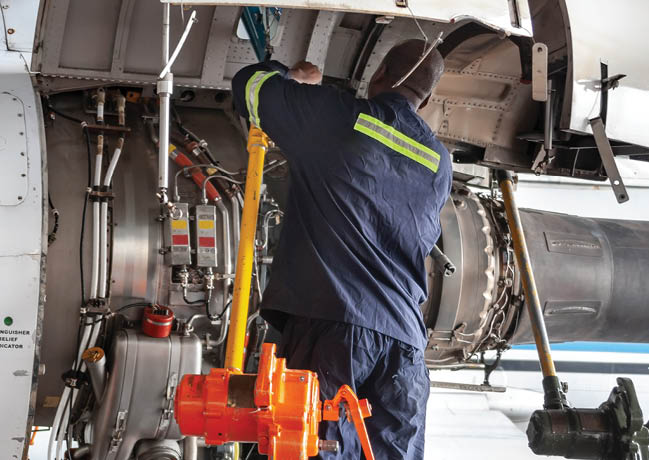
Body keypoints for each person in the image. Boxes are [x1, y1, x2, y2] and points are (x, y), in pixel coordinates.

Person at [232, 39, 452, 459]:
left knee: (301, 448)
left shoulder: (337, 117)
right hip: (405, 351)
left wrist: (295, 81)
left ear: (380, 72)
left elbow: (249, 86)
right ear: (428, 99)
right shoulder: (438, 161)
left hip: (338, 328)